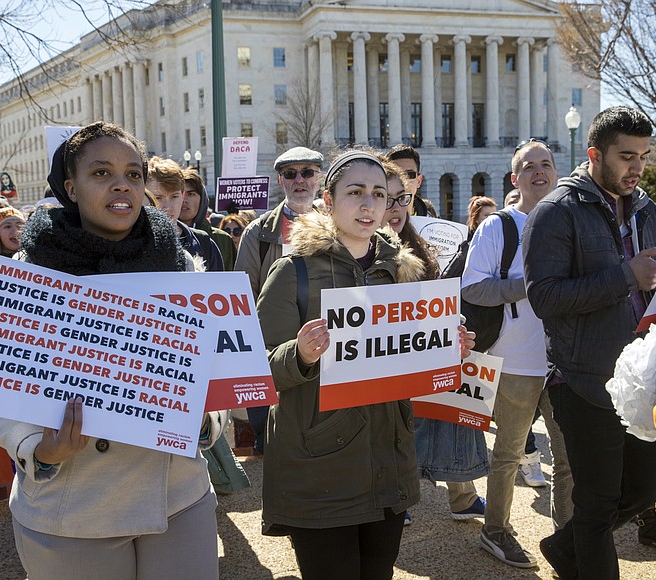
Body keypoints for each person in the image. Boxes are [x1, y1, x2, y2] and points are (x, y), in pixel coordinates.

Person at [0, 122, 220, 579]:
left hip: (178, 493)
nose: (121, 185)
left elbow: (215, 365)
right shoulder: (26, 271)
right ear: (70, 187)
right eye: (101, 173)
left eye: (133, 174)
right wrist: (39, 449)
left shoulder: (181, 263)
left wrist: (208, 417)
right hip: (72, 502)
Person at [256, 149, 474, 580]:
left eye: (380, 194)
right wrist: (299, 355)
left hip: (387, 462)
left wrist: (449, 347)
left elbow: (411, 360)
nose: (369, 203)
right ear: (327, 201)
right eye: (355, 192)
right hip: (319, 468)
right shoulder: (292, 272)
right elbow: (257, 371)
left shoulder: (401, 272)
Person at [523, 107, 656, 579]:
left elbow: (653, 285)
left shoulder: (648, 208)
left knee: (644, 492)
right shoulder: (555, 212)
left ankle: (564, 550)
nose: (637, 167)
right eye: (626, 156)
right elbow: (545, 297)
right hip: (583, 380)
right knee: (597, 503)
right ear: (593, 154)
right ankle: (581, 557)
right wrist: (626, 276)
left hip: (644, 378)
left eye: (643, 156)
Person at [462, 138, 573, 569]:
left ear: (556, 171)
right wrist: (533, 285)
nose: (539, 171)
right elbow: (473, 287)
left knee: (566, 460)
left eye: (546, 163)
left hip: (565, 361)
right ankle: (495, 531)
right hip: (515, 361)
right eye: (529, 166)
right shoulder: (499, 227)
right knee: (508, 454)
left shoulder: (570, 222)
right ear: (515, 178)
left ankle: (566, 539)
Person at [380, 160, 489, 524]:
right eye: (386, 198)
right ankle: (398, 497)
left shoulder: (419, 246)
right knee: (394, 430)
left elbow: (439, 304)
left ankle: (461, 493)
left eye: (401, 199)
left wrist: (456, 329)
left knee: (452, 408)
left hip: (420, 354)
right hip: (381, 361)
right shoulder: (358, 251)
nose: (394, 209)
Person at [235, 146, 324, 454]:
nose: (299, 180)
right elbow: (243, 298)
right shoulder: (257, 233)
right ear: (280, 181)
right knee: (273, 441)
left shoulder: (338, 227)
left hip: (325, 347)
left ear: (319, 179)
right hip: (272, 351)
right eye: (290, 174)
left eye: (307, 173)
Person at [147, 156, 224, 273]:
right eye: (158, 198)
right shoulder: (128, 243)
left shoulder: (205, 244)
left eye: (174, 196)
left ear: (182, 196)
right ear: (145, 197)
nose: (168, 207)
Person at [180, 168, 237, 271]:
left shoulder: (223, 239)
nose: (184, 200)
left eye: (191, 194)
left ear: (202, 199)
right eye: (180, 194)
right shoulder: (160, 239)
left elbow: (232, 280)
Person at [386, 144, 434, 217]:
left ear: (419, 181)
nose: (404, 180)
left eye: (409, 175)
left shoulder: (432, 225)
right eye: (397, 174)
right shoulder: (374, 223)